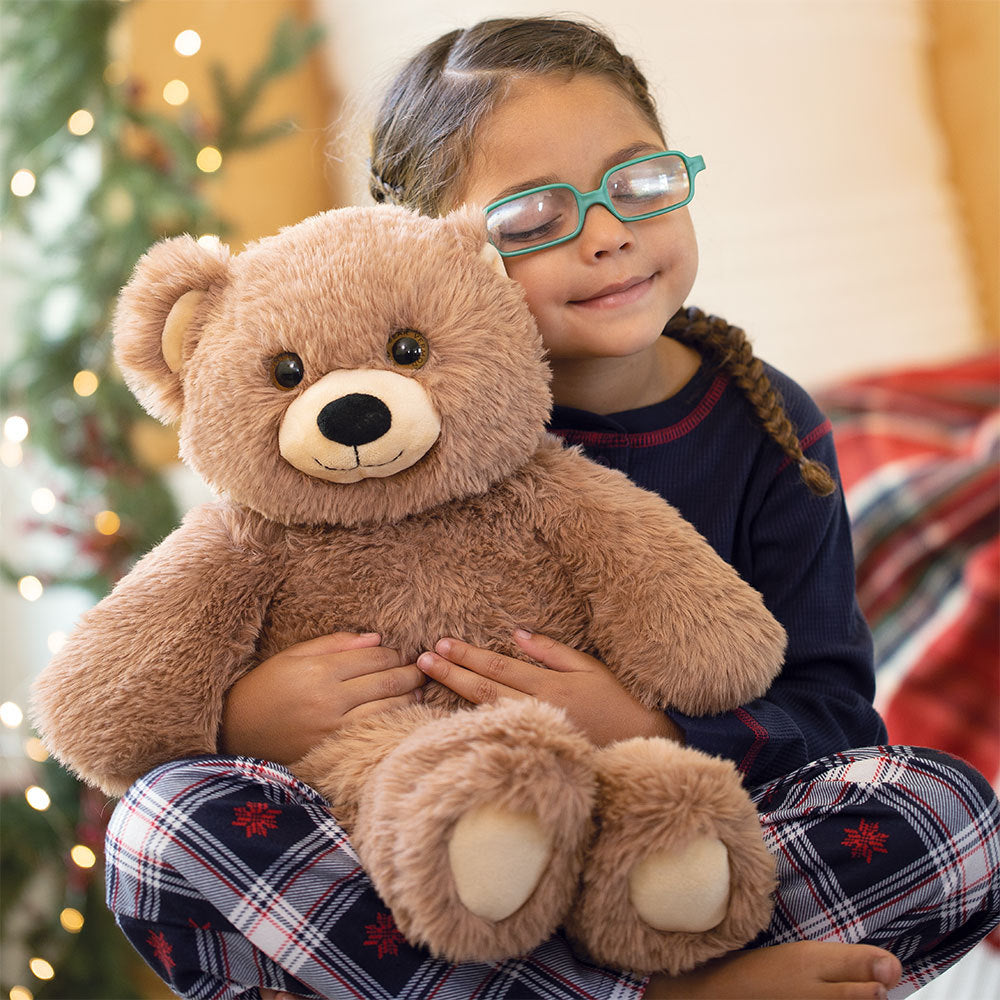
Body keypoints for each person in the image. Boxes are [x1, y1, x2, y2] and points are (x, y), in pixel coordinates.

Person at [103, 16, 999, 1000]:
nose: (610, 233)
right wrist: (242, 719)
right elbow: (177, 670)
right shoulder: (368, 440)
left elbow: (830, 717)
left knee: (949, 812)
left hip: (673, 849)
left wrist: (640, 730)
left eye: (639, 183)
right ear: (434, 252)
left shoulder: (769, 428)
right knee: (166, 823)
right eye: (534, 219)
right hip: (431, 856)